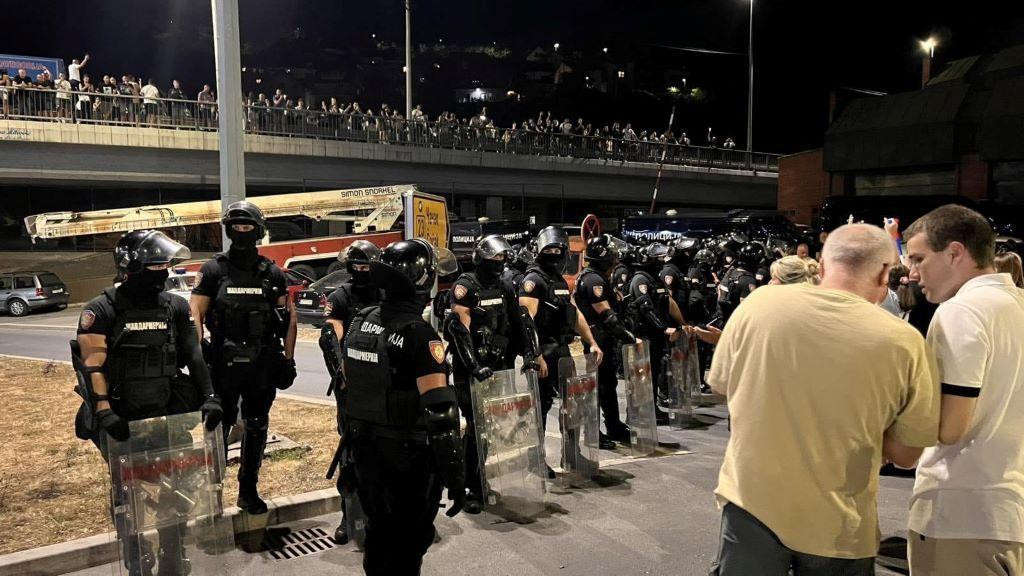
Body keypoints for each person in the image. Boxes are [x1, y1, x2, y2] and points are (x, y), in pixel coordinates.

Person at [707, 223, 940, 575]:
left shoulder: (759, 305)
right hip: (839, 525)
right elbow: (907, 455)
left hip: (751, 507)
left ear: (823, 264)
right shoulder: (904, 341)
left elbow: (722, 385)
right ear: (883, 273)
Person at [74, 230, 222, 576]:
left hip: (166, 414)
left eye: (165, 264)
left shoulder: (174, 306)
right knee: (128, 493)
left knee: (179, 486)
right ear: (131, 266)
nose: (163, 271)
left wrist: (210, 396)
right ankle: (135, 549)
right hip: (121, 418)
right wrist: (103, 410)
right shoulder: (101, 308)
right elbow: (91, 364)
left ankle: (174, 549)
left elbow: (194, 355)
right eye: (155, 265)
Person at [903, 205, 1024, 576]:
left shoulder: (962, 311)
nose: (912, 272)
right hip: (1009, 510)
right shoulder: (1016, 304)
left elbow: (949, 427)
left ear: (955, 253)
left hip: (959, 510)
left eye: (919, 258)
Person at [342, 238, 464, 575]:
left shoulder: (360, 321)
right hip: (406, 455)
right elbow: (440, 413)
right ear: (422, 281)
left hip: (364, 449)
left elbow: (349, 384)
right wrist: (455, 476)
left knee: (378, 532)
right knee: (410, 541)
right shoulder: (420, 335)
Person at [190, 201, 297, 514]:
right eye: (236, 226)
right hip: (222, 363)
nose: (242, 232)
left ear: (259, 231)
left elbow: (288, 318)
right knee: (217, 428)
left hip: (262, 363)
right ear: (228, 230)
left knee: (256, 425)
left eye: (248, 227)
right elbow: (195, 314)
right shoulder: (212, 271)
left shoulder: (272, 272)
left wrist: (288, 360)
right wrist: (197, 362)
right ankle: (213, 497)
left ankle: (248, 491)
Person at [444, 235, 521, 513]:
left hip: (497, 368)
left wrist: (531, 355)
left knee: (488, 429)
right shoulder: (465, 287)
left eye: (502, 258)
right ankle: (468, 487)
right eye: (494, 258)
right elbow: (459, 330)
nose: (499, 263)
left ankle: (476, 478)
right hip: (471, 371)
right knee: (476, 427)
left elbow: (517, 321)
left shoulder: (503, 285)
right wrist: (474, 365)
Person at [519, 226, 602, 477]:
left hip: (566, 350)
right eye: (550, 250)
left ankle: (572, 453)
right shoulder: (533, 281)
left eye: (558, 249)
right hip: (544, 351)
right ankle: (536, 459)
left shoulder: (559, 281)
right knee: (541, 407)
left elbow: (574, 313)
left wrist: (592, 342)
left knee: (574, 403)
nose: (554, 254)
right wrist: (535, 355)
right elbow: (526, 320)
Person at [320, 240, 382, 544]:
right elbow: (332, 336)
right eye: (356, 266)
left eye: (366, 266)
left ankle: (383, 514)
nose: (362, 271)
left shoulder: (385, 292)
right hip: (352, 384)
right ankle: (349, 514)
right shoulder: (341, 296)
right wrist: (341, 377)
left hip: (383, 384)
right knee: (350, 452)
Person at [574, 234, 638, 447]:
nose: (614, 256)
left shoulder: (597, 276)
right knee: (596, 386)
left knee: (608, 384)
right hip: (597, 339)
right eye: (610, 252)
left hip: (604, 339)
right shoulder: (593, 280)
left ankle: (613, 425)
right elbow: (606, 315)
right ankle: (593, 432)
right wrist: (628, 337)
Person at [628, 242, 685, 422]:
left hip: (656, 335)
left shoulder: (654, 279)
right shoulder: (640, 280)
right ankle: (637, 414)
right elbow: (646, 308)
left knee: (652, 373)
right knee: (642, 375)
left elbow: (668, 302)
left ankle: (651, 408)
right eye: (657, 258)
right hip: (644, 335)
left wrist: (682, 323)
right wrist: (663, 327)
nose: (661, 260)